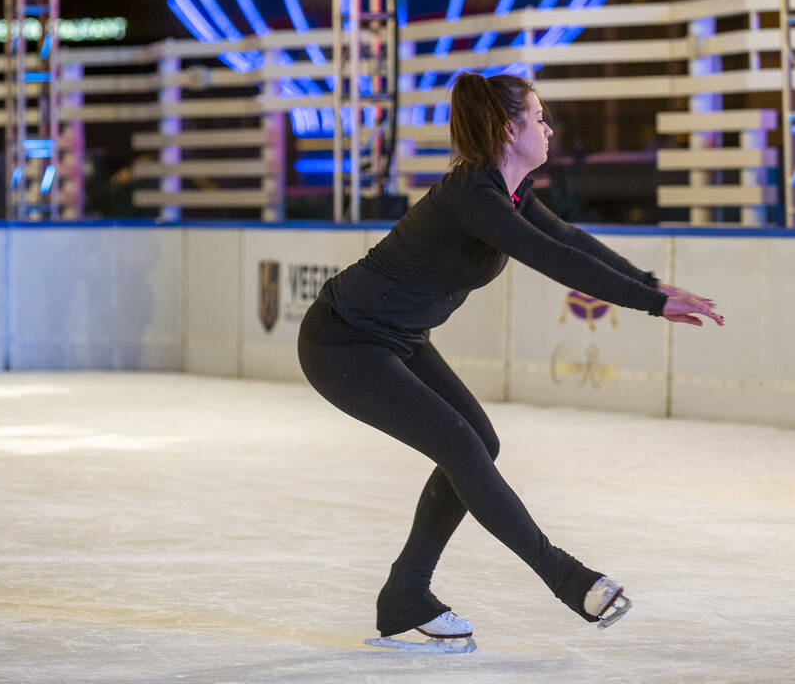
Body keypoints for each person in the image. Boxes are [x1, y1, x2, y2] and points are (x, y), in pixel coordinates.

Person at [297, 72, 723, 645]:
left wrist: (652, 286)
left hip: (399, 338)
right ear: (509, 127)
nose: (549, 129)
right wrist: (652, 302)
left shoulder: (509, 193)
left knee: (478, 444)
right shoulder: (475, 196)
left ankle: (406, 594)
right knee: (460, 444)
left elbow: (569, 240)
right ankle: (567, 578)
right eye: (540, 118)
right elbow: (556, 261)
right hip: (342, 341)